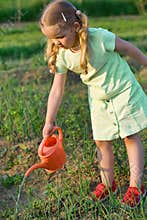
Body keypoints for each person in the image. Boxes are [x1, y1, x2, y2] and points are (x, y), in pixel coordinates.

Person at [40, 0, 147, 208]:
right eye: (52, 39)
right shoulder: (61, 53)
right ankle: (108, 184)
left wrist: (145, 61)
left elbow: (127, 47)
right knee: (101, 141)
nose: (57, 43)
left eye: (60, 36)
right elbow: (57, 89)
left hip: (123, 90)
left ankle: (136, 187)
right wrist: (49, 121)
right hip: (99, 99)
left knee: (130, 137)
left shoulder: (99, 38)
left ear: (76, 27)